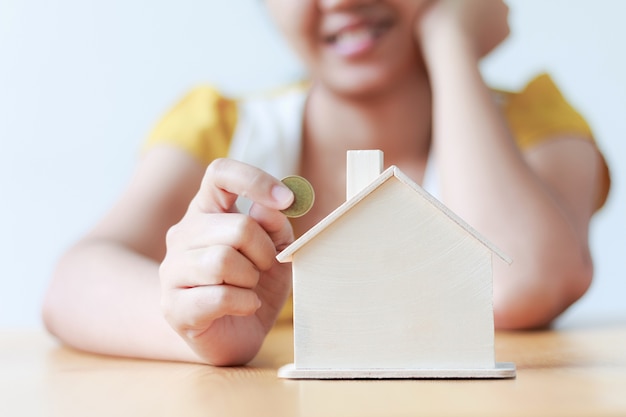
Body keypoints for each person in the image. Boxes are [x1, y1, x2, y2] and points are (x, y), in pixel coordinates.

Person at [42, 0, 611, 366]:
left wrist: (451, 40)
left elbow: (518, 287)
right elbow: (72, 285)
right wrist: (198, 329)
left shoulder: (533, 122)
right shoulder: (218, 127)